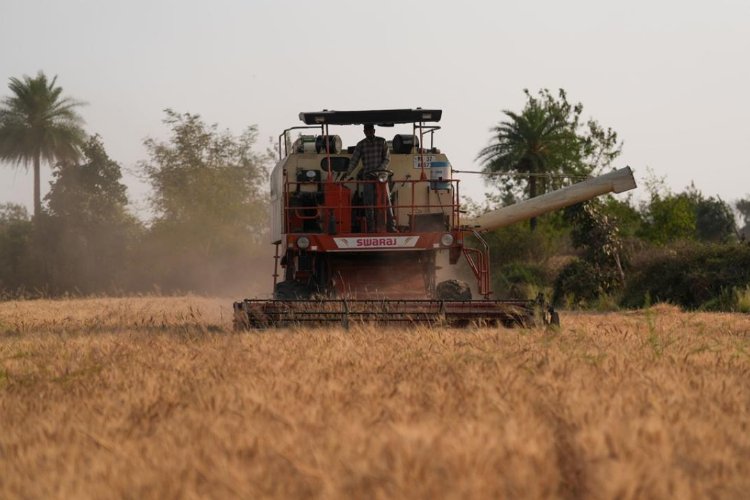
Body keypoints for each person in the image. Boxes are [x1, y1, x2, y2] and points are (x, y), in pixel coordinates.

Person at [346, 123, 396, 232]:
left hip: (381, 178)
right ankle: (371, 229)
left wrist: (379, 170)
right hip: (368, 177)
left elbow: (387, 159)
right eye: (366, 130)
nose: (368, 132)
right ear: (364, 132)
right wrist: (348, 172)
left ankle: (391, 227)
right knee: (369, 203)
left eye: (370, 130)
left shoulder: (382, 142)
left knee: (386, 202)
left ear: (374, 131)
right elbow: (354, 160)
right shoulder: (361, 145)